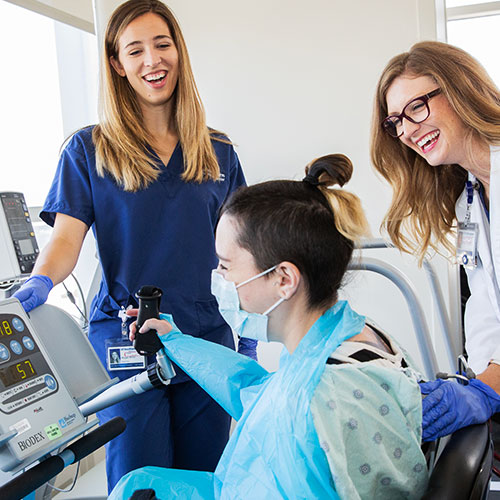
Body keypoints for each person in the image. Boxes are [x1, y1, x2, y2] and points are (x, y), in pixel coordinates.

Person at [12, 0, 256, 491]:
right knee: (138, 479)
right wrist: (39, 280)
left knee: (205, 478)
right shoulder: (89, 149)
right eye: (136, 50)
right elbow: (66, 237)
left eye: (163, 45)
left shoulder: (218, 151)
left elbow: (246, 248)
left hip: (205, 333)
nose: (153, 60)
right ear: (117, 65)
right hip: (126, 338)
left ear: (179, 53)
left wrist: (251, 331)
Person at [109, 154, 428, 499]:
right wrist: (178, 343)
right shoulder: (347, 338)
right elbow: (259, 393)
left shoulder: (322, 399)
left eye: (226, 266)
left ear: (284, 279)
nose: (218, 279)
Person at [371, 40, 500, 441]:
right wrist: (479, 382)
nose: (407, 130)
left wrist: (487, 389)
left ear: (461, 89)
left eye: (416, 107)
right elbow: (487, 305)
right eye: (396, 121)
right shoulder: (470, 195)